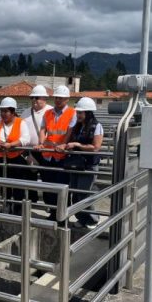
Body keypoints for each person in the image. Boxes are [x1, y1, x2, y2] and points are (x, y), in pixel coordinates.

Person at [56, 97, 103, 229]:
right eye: (77, 113)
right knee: (76, 194)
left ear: (88, 113)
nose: (78, 115)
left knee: (84, 193)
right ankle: (82, 219)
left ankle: (93, 219)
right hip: (76, 164)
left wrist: (77, 144)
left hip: (88, 165)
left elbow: (96, 147)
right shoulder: (77, 126)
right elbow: (69, 140)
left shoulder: (97, 126)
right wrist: (65, 146)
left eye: (81, 113)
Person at [34, 85, 76, 221]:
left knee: (62, 187)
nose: (58, 100)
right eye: (57, 97)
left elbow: (69, 132)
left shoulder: (72, 113)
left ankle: (62, 216)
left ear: (67, 99)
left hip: (62, 157)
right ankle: (53, 213)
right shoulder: (48, 113)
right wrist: (41, 143)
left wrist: (63, 144)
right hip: (48, 155)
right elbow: (43, 129)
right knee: (48, 186)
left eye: (61, 98)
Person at [0, 97, 31, 214]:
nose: (3, 114)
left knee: (17, 185)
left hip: (16, 159)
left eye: (6, 111)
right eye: (2, 111)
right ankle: (6, 206)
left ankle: (17, 209)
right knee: (4, 184)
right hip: (0, 158)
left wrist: (11, 144)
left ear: (13, 112)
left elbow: (26, 139)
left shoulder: (21, 122)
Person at [21, 85, 53, 202]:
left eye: (37, 97)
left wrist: (44, 145)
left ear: (45, 98)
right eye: (32, 98)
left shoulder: (51, 111)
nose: (34, 100)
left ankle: (49, 203)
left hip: (46, 151)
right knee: (29, 179)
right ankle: (31, 201)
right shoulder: (25, 113)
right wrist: (26, 154)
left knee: (47, 179)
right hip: (30, 151)